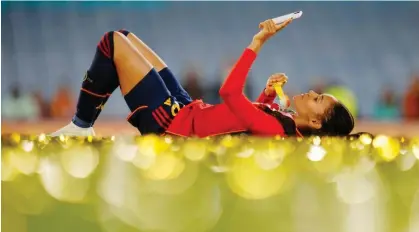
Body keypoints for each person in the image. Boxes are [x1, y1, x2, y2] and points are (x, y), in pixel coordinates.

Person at [51, 18, 354, 137]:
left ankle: (79, 127)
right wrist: (267, 96)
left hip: (173, 123)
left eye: (317, 99)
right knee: (126, 36)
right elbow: (244, 121)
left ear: (316, 122)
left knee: (112, 42)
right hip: (187, 109)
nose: (312, 92)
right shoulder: (284, 126)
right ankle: (81, 126)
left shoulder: (278, 129)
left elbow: (230, 94)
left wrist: (257, 42)